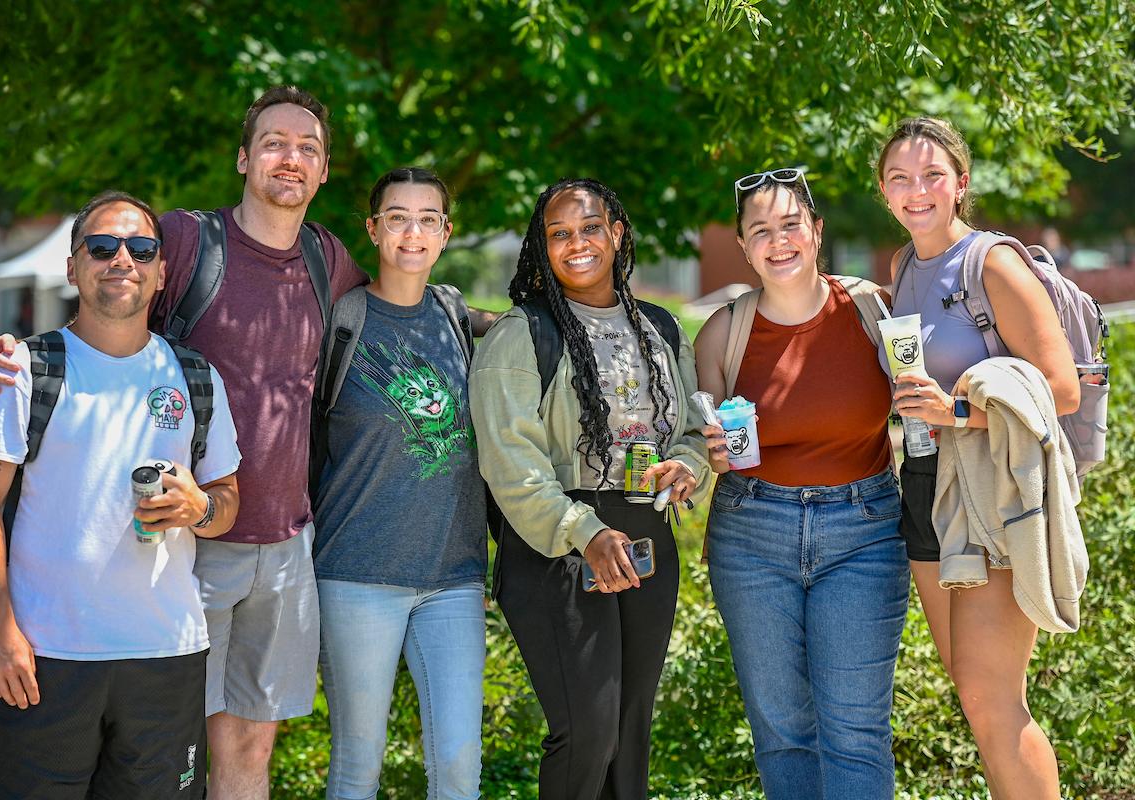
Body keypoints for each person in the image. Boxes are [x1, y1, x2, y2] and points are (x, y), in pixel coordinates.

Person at [0, 86, 367, 799]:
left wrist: (485, 320)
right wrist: (10, 354)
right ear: (243, 158)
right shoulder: (186, 239)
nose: (291, 157)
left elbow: (398, 304)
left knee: (246, 747)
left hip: (276, 541)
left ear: (326, 171)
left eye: (309, 147)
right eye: (274, 142)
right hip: (182, 554)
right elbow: (111, 287)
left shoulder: (325, 258)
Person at [0, 191, 242, 799]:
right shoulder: (21, 372)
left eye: (141, 248)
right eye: (102, 246)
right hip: (45, 656)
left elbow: (226, 500)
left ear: (161, 272)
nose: (122, 260)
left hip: (166, 655)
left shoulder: (196, 378)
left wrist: (202, 509)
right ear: (72, 265)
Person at [469, 177, 719, 800]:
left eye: (588, 228)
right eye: (558, 234)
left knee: (630, 733)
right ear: (542, 246)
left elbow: (691, 430)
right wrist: (584, 531)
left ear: (617, 233)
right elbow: (510, 464)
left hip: (646, 536)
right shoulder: (522, 334)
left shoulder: (660, 327)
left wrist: (688, 466)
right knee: (587, 731)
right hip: (557, 542)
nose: (575, 243)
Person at [877, 116, 1080, 800]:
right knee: (974, 697)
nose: (918, 190)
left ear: (960, 184)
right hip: (927, 479)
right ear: (883, 190)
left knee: (994, 700)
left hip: (994, 482)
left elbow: (1062, 389)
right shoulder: (902, 266)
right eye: (901, 178)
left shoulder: (991, 261)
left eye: (933, 175)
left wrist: (957, 410)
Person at [692, 169, 908, 799]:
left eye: (791, 225)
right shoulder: (720, 332)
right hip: (751, 534)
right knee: (781, 728)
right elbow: (703, 436)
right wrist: (708, 450)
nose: (778, 241)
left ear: (816, 231)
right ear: (742, 246)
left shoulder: (871, 309)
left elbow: (918, 401)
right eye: (761, 230)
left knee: (856, 729)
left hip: (863, 533)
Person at [310, 167, 487, 799]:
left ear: (445, 233)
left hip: (454, 576)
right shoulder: (341, 321)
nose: (412, 231)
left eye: (428, 219)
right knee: (359, 766)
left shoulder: (455, 315)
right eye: (397, 217)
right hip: (357, 570)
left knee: (460, 764)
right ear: (373, 229)